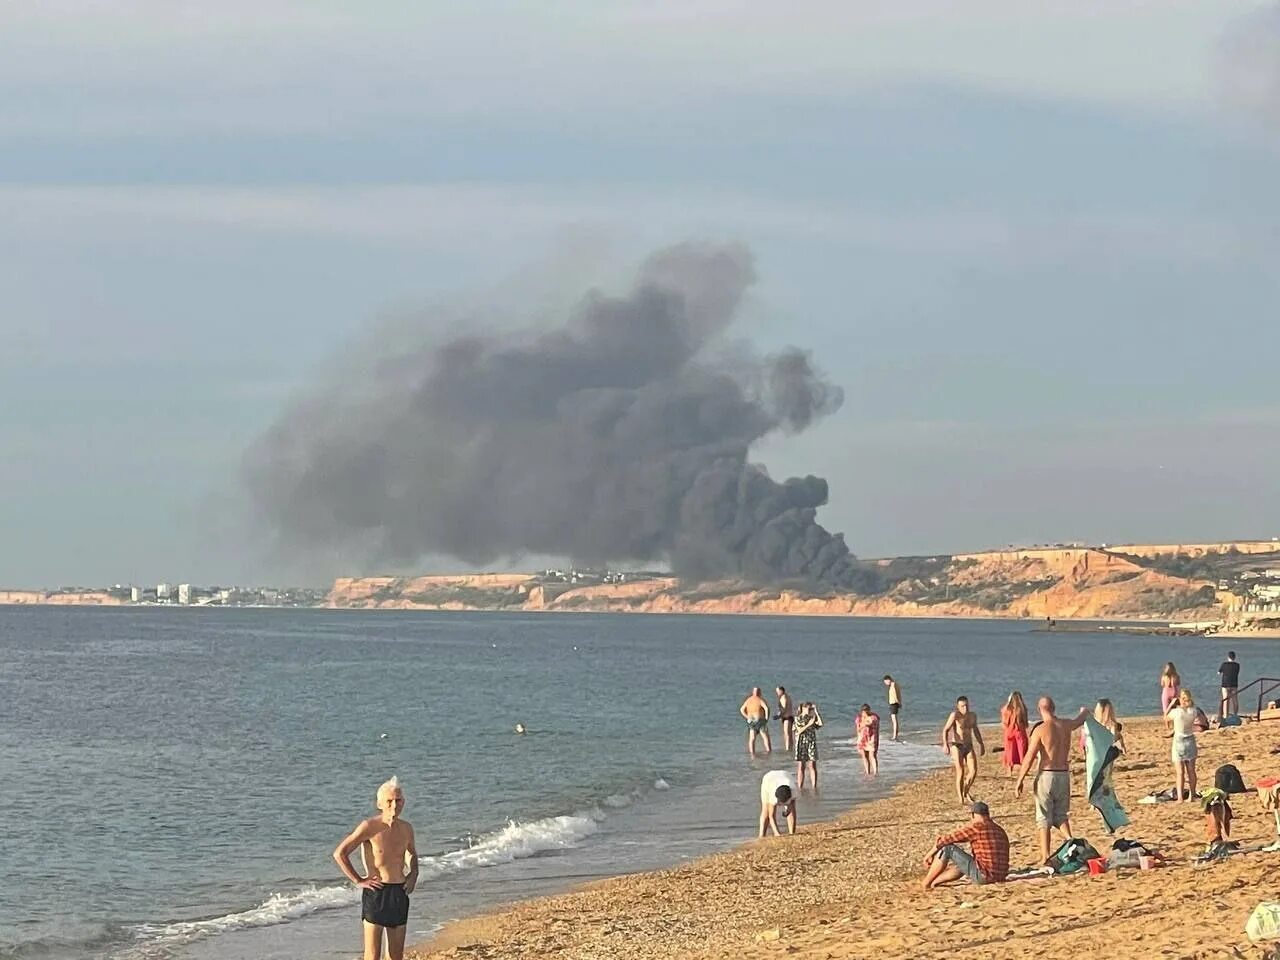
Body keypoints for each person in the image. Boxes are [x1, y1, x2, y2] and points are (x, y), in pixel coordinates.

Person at [333, 777, 419, 960]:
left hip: (399, 891)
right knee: (372, 956)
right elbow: (340, 853)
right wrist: (358, 880)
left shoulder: (406, 828)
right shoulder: (369, 826)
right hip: (377, 892)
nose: (394, 805)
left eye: (398, 800)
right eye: (389, 801)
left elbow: (411, 854)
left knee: (396, 956)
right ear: (380, 804)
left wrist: (413, 874)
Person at [1015, 697, 1089, 864]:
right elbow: (1080, 720)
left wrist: (1020, 779)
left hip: (1047, 775)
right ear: (1054, 708)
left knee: (1044, 818)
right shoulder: (1065, 725)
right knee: (1060, 815)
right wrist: (1084, 711)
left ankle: (1045, 856)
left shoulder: (1040, 730)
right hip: (1063, 774)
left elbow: (1029, 757)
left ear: (1040, 709)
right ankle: (1071, 841)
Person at [921, 801, 1010, 890]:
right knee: (961, 864)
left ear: (973, 815)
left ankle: (926, 883)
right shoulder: (999, 830)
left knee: (948, 849)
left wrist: (929, 854)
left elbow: (946, 840)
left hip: (984, 876)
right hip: (1001, 875)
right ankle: (936, 881)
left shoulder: (977, 827)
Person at [941, 696, 985, 804]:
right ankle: (960, 796)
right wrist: (945, 744)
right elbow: (945, 730)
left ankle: (966, 790)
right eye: (962, 706)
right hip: (957, 745)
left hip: (969, 745)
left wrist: (981, 744)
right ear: (958, 706)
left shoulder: (972, 716)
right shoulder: (955, 715)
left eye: (967, 705)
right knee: (960, 771)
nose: (965, 708)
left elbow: (975, 730)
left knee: (973, 771)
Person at [1166, 688, 1200, 801]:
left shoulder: (1177, 712)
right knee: (1191, 770)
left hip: (1179, 741)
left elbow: (1165, 717)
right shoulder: (1193, 711)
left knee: (1180, 772)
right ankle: (1192, 794)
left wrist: (1171, 704)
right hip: (1190, 740)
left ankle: (1180, 797)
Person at [758, 768, 798, 837]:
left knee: (791, 811)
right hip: (769, 778)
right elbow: (771, 816)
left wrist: (787, 811)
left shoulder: (793, 791)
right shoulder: (772, 794)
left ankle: (792, 832)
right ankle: (762, 835)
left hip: (785, 776)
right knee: (766, 811)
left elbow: (792, 810)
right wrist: (777, 834)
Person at [794, 700, 824, 788]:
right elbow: (799, 731)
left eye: (810, 709)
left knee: (812, 765)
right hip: (801, 744)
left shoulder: (811, 718)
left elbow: (820, 724)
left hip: (811, 743)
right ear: (803, 708)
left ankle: (814, 786)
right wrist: (808, 724)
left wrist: (816, 712)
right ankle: (800, 786)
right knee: (801, 766)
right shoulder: (798, 718)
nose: (809, 710)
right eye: (808, 708)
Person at [1000, 691, 1029, 777]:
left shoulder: (1007, 709)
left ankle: (1009, 771)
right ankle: (1024, 770)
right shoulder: (1022, 709)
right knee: (1022, 751)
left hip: (1009, 732)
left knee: (1010, 751)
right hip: (1020, 731)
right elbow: (1026, 723)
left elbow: (1004, 723)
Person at [740, 687, 772, 756]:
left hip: (751, 721)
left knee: (752, 738)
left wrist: (747, 717)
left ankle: (752, 753)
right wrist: (766, 718)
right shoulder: (759, 699)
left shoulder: (748, 700)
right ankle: (768, 752)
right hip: (760, 720)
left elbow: (742, 709)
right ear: (759, 692)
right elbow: (766, 708)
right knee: (765, 737)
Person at [856, 703, 881, 775]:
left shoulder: (874, 717)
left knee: (872, 755)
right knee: (864, 755)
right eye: (864, 711)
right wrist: (858, 739)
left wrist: (863, 722)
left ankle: (875, 772)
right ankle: (867, 772)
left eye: (867, 711)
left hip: (872, 738)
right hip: (862, 739)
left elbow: (869, 723)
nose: (865, 713)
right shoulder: (859, 718)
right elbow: (858, 729)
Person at [1219, 651, 1241, 719]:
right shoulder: (1237, 665)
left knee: (1226, 699)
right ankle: (1235, 714)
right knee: (1235, 700)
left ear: (1228, 657)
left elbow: (1219, 672)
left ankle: (1226, 715)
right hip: (1234, 684)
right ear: (1234, 657)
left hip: (1225, 684)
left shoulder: (1224, 664)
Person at [775, 685, 796, 751]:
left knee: (787, 734)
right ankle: (791, 748)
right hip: (790, 717)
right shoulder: (787, 696)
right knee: (789, 734)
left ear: (781, 691)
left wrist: (778, 716)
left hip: (787, 718)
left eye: (778, 691)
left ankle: (788, 749)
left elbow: (784, 709)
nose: (777, 693)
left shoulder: (783, 698)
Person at [883, 675, 903, 741]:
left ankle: (895, 736)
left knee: (894, 720)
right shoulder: (894, 684)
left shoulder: (893, 685)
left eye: (885, 682)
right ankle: (895, 735)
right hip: (894, 703)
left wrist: (898, 702)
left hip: (894, 703)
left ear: (888, 680)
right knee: (894, 720)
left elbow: (895, 694)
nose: (886, 684)